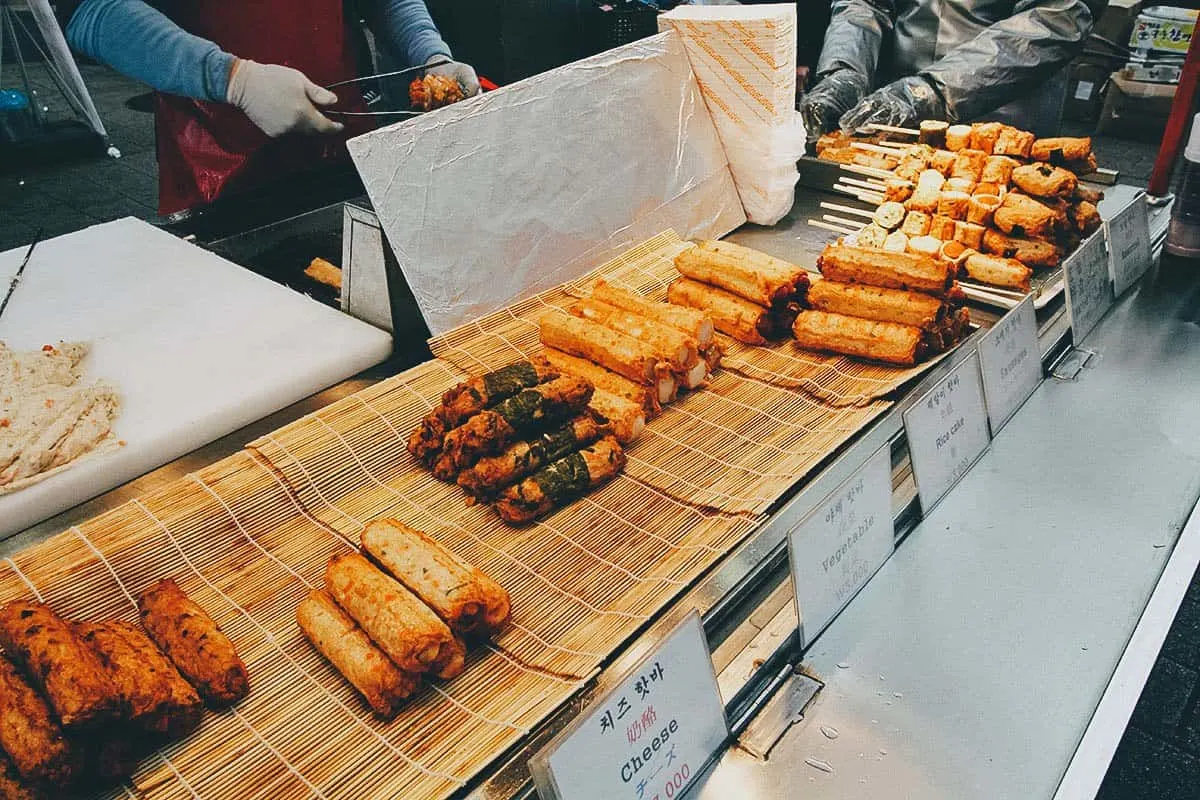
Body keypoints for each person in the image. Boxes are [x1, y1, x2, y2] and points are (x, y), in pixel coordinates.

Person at [64, 0, 480, 215]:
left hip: (350, 146)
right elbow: (93, 13)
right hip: (222, 168)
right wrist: (234, 80)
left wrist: (430, 56)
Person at [799, 0, 1095, 139]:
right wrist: (845, 68)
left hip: (1002, 118)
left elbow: (1056, 18)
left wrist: (934, 92)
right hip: (894, 114)